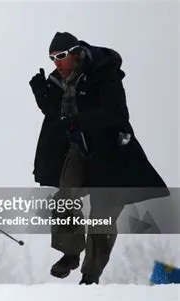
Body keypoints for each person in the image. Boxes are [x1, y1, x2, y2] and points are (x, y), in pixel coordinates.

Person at [29, 32, 169, 284]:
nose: (56, 63)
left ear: (75, 52)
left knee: (101, 218)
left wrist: (80, 122)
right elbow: (57, 116)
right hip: (79, 151)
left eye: (60, 56)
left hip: (112, 155)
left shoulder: (104, 72)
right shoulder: (59, 80)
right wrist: (43, 97)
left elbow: (117, 113)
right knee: (63, 200)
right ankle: (71, 253)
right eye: (52, 58)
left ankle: (90, 276)